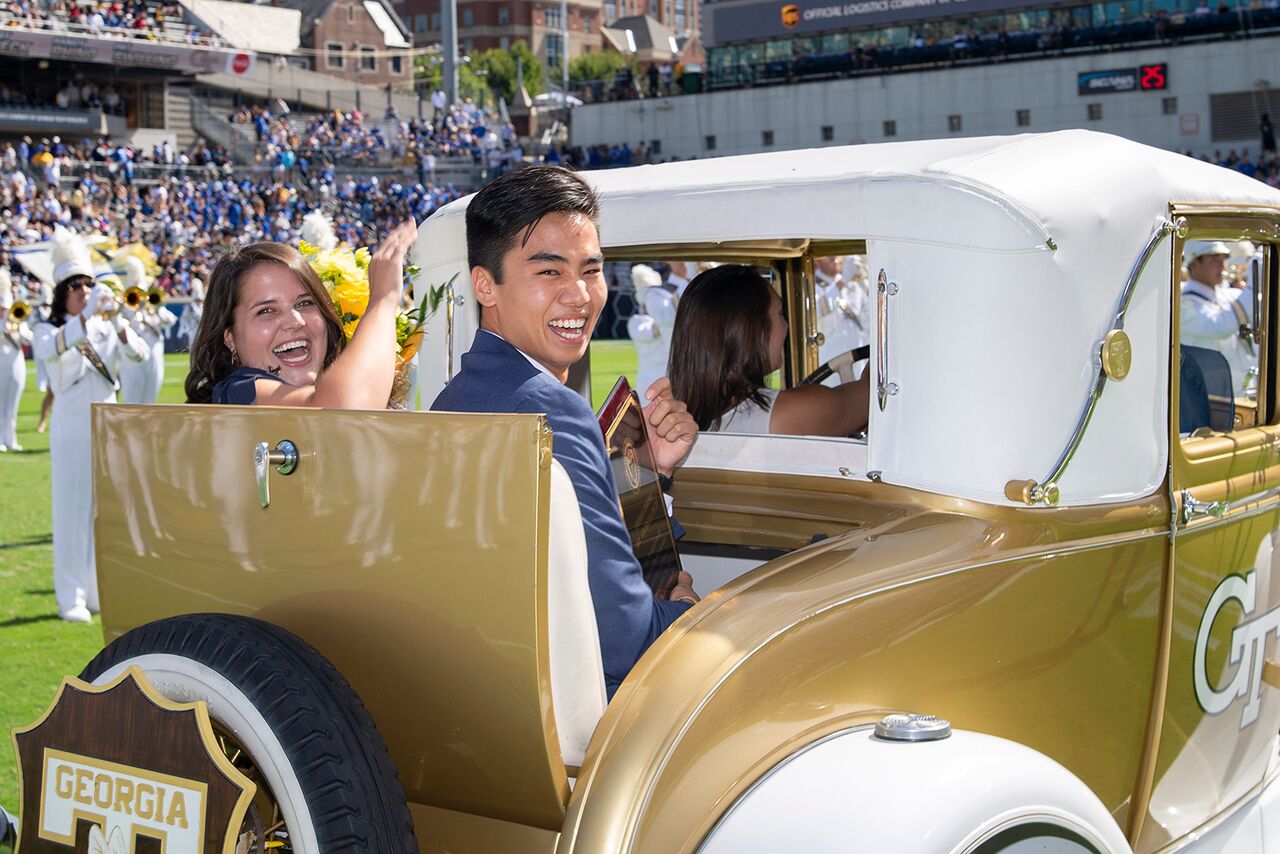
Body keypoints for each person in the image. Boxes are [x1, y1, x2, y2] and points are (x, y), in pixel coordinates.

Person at [430, 165, 699, 698]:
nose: (580, 295)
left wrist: (651, 473)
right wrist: (690, 613)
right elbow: (627, 642)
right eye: (549, 272)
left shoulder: (452, 401)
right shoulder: (553, 411)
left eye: (591, 270)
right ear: (486, 284)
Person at [33, 228, 149, 623]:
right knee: (71, 510)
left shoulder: (101, 325)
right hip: (70, 425)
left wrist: (118, 325)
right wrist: (86, 316)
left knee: (103, 511)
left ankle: (97, 589)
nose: (85, 290)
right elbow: (53, 352)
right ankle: (71, 597)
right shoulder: (48, 330)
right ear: (62, 292)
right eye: (77, 286)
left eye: (88, 284)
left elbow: (139, 356)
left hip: (106, 424)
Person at [185, 220, 417, 406]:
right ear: (230, 338)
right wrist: (383, 301)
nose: (295, 321)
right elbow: (344, 411)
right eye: (266, 310)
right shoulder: (238, 389)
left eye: (305, 303)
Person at [669, 264, 869, 435]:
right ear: (754, 331)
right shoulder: (790, 414)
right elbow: (874, 395)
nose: (787, 325)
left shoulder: (677, 426)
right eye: (780, 313)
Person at [1181, 240, 1257, 397]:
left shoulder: (1223, 294)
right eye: (1215, 260)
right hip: (1206, 396)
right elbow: (1219, 325)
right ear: (1195, 264)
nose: (1223, 266)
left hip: (1237, 392)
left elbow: (1259, 305)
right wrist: (1256, 277)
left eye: (1223, 259)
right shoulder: (1184, 301)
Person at [118, 257, 177, 405]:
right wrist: (133, 309)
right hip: (133, 353)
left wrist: (156, 309)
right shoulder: (124, 303)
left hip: (154, 350)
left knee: (151, 394)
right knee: (132, 398)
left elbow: (170, 320)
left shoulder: (153, 305)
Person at [626, 263, 678, 393]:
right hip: (649, 383)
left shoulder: (666, 322)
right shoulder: (636, 323)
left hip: (670, 378)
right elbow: (655, 330)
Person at [0, 267, 31, 452]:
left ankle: (11, 439)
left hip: (16, 362)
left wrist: (18, 330)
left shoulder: (17, 317)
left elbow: (29, 339)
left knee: (13, 404)